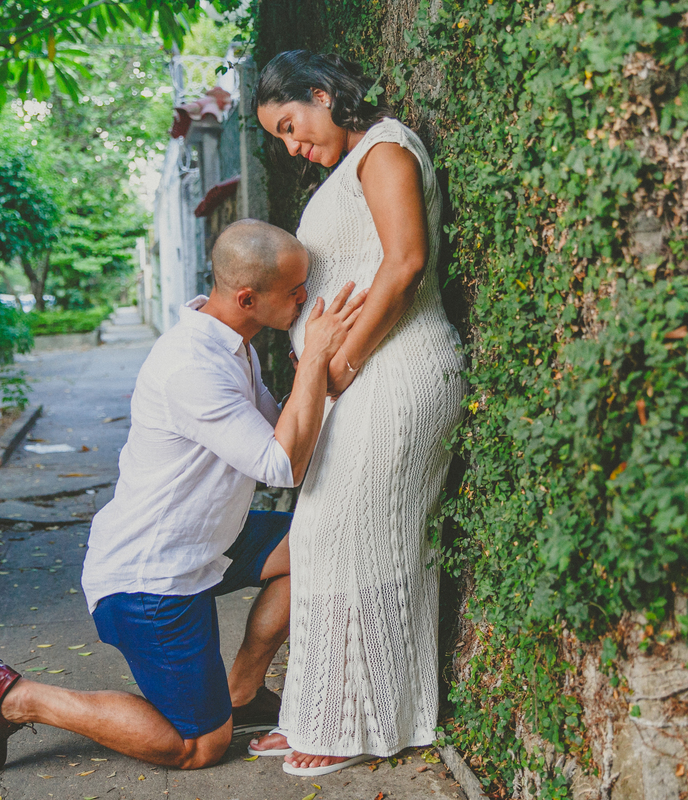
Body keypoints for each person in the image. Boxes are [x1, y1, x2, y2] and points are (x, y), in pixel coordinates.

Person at [0, 220, 366, 772]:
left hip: (208, 543)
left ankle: (242, 693)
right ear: (248, 298)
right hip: (150, 580)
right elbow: (281, 464)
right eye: (295, 289)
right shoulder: (191, 367)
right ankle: (16, 697)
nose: (305, 296)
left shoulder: (232, 343)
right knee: (200, 748)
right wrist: (316, 360)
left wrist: (321, 379)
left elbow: (280, 426)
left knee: (323, 543)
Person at [249, 51, 467, 777]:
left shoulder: (384, 148)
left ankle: (368, 719)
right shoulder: (348, 167)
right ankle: (319, 708)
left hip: (396, 369)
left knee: (361, 538)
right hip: (361, 376)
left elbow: (404, 264)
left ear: (320, 94)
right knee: (323, 538)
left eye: (291, 125)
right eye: (279, 138)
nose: (291, 145)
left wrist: (338, 363)